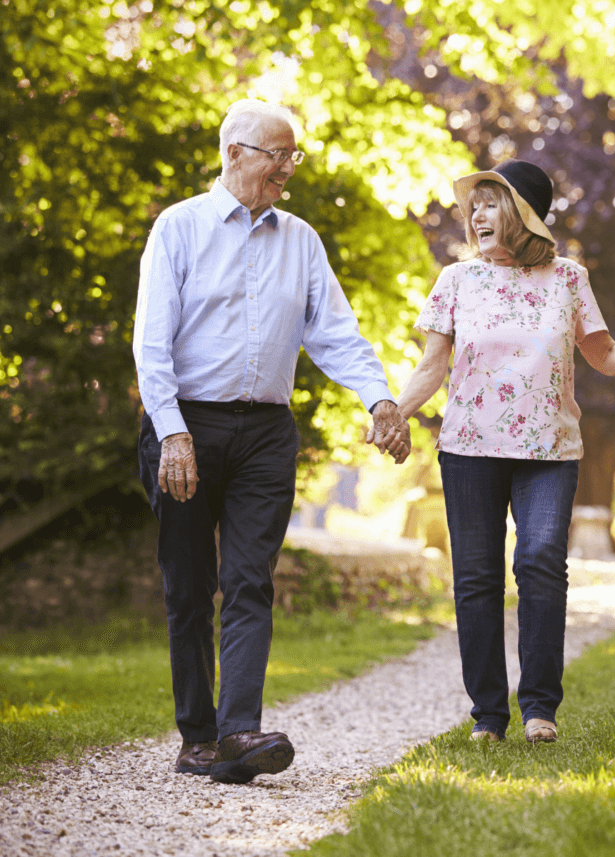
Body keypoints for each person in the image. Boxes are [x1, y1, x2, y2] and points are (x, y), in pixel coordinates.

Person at [133, 98, 410, 784]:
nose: (288, 169)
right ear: (234, 154)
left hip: (264, 432)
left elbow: (335, 332)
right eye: (277, 155)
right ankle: (199, 735)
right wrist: (172, 431)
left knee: (251, 578)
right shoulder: (179, 228)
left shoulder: (300, 240)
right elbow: (151, 342)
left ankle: (239, 732)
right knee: (190, 586)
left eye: (294, 156)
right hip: (185, 424)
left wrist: (379, 395)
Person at [383, 160, 615, 743]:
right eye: (476, 204)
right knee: (476, 579)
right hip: (468, 449)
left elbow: (604, 353)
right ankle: (488, 716)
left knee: (541, 561)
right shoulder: (456, 281)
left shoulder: (568, 278)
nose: (477, 213)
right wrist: (393, 411)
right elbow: (432, 365)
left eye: (492, 202)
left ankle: (540, 707)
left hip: (550, 450)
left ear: (524, 215)